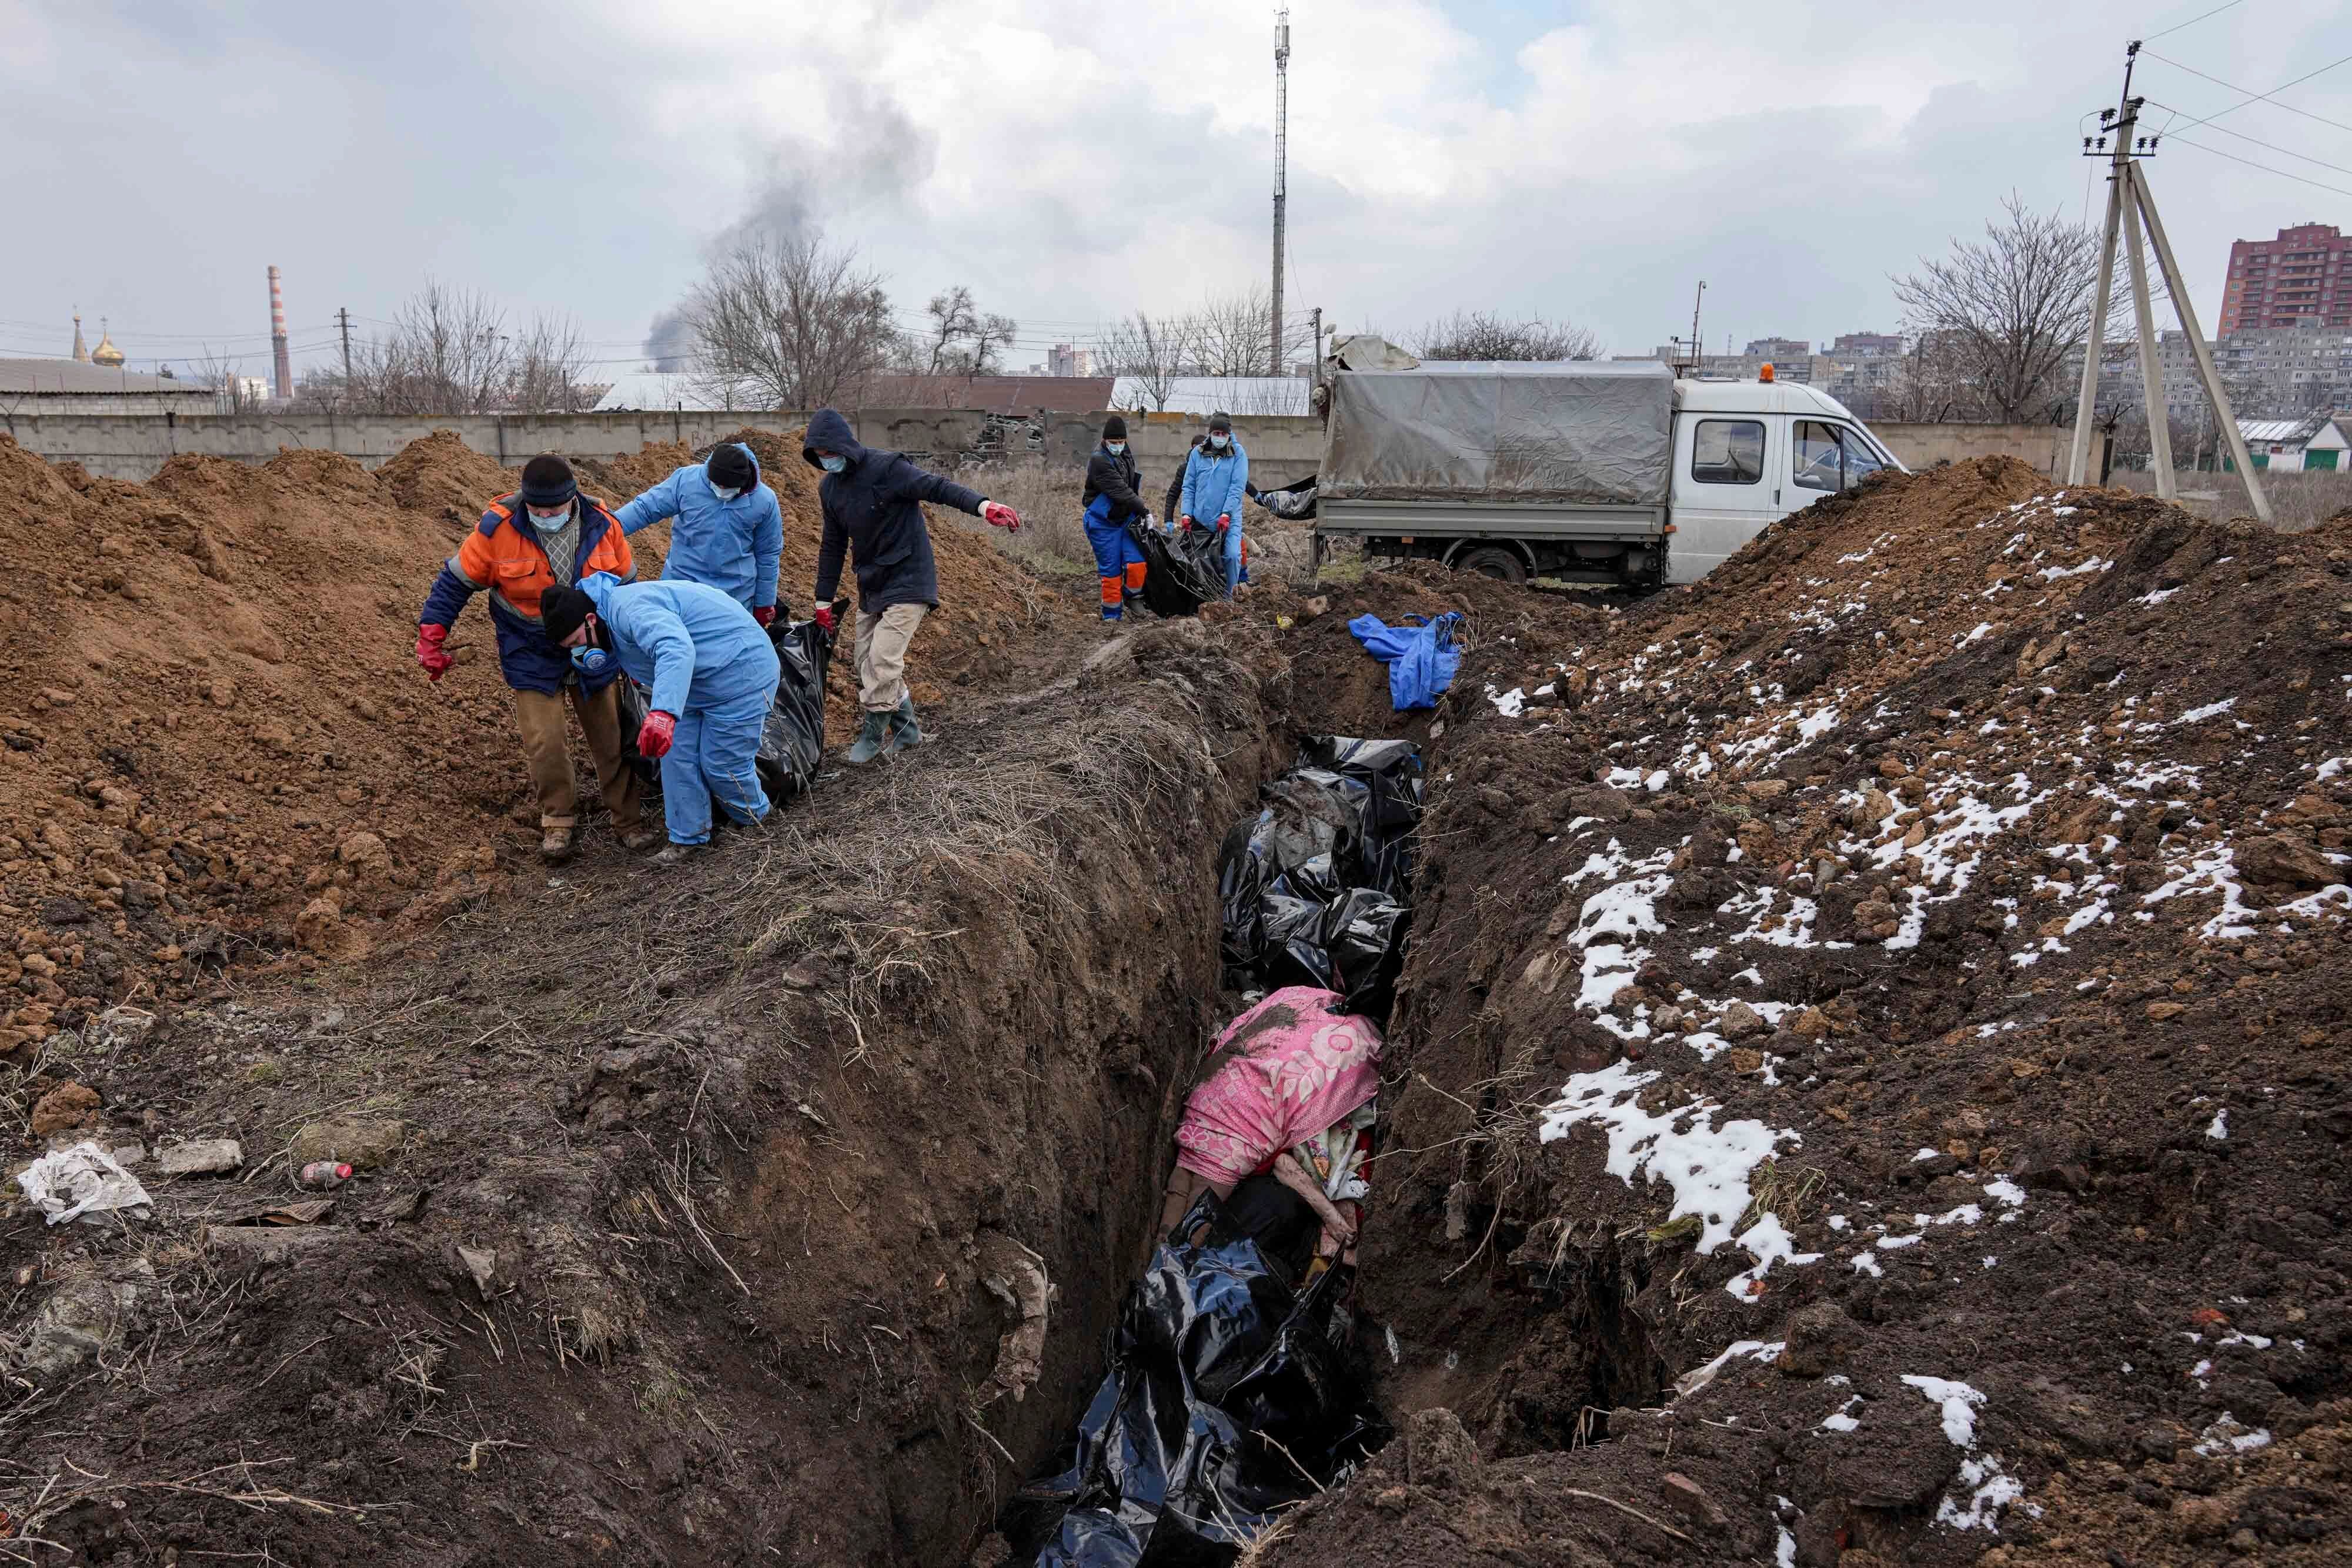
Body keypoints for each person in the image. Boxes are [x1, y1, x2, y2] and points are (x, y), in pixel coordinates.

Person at [415, 453, 654, 863]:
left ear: (572, 498)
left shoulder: (603, 525)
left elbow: (630, 590)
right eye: (537, 509)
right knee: (544, 740)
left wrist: (636, 653)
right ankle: (558, 820)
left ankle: (629, 821)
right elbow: (454, 582)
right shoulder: (497, 530)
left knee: (611, 735)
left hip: (592, 643)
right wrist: (432, 633)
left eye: (554, 509)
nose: (545, 516)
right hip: (530, 647)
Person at [802, 408, 1022, 763]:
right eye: (820, 456)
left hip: (909, 576)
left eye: (830, 454)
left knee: (883, 660)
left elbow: (937, 487)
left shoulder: (888, 469)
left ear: (844, 446)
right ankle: (908, 734)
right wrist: (823, 601)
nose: (827, 461)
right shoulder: (830, 489)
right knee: (865, 663)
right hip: (871, 582)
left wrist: (983, 506)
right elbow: (832, 546)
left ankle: (872, 737)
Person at [539, 573, 779, 863]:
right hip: (697, 682)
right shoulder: (608, 620)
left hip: (741, 672)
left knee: (722, 763)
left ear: (590, 620)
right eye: (570, 649)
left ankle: (759, 823)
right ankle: (688, 838)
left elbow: (675, 649)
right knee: (676, 757)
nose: (579, 651)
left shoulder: (629, 609)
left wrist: (663, 712)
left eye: (576, 642)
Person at [612, 442, 786, 622]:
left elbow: (768, 554)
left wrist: (764, 603)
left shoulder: (764, 501)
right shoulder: (687, 481)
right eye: (717, 485)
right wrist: (607, 529)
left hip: (734, 596)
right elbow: (645, 509)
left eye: (728, 487)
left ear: (743, 482)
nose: (722, 491)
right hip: (681, 588)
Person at [1081, 414, 1152, 621]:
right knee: (1111, 571)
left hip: (1125, 517)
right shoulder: (1099, 461)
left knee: (1137, 563)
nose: (1118, 446)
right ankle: (1112, 615)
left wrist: (1138, 513)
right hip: (1102, 522)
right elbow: (1121, 490)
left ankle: (1133, 597)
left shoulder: (1125, 454)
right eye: (1114, 442)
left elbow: (1130, 487)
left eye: (1122, 441)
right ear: (1105, 440)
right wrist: (1144, 511)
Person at [1177, 410, 1250, 596]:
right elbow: (1189, 485)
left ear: (1229, 434)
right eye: (1216, 433)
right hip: (1202, 518)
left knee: (1232, 555)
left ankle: (1228, 596)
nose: (1219, 437)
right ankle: (1206, 595)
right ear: (1210, 433)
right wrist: (1186, 513)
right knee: (1200, 559)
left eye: (1223, 434)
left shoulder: (1238, 454)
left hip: (1229, 518)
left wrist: (1226, 513)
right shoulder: (1198, 453)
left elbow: (1237, 487)